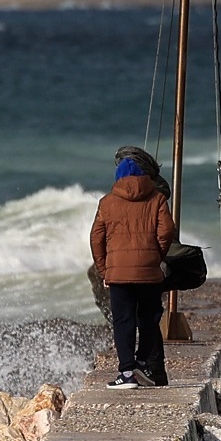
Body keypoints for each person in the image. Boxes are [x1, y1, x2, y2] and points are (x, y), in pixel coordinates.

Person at [90, 154, 176, 389]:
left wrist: (104, 269)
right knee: (149, 318)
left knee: (123, 320)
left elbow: (96, 239)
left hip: (118, 273)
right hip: (149, 271)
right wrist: (155, 255)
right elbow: (167, 231)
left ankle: (127, 372)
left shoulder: (107, 202)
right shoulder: (157, 198)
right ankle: (142, 362)